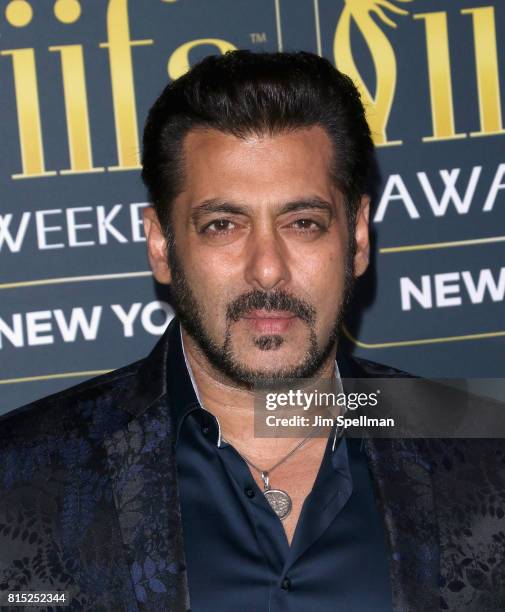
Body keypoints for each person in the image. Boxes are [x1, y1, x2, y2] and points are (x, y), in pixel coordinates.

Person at [0, 50, 504, 612]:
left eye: (303, 223)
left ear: (358, 237)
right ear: (161, 244)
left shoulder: (484, 454)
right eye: (223, 225)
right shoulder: (19, 482)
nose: (267, 268)